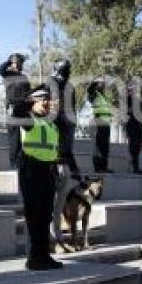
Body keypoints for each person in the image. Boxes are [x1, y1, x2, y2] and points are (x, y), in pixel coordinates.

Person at [17, 85, 63, 270]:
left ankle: (44, 255)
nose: (45, 102)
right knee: (34, 214)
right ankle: (34, 257)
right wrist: (28, 97)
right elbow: (17, 110)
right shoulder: (28, 119)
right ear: (32, 102)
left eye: (47, 99)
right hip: (31, 168)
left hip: (48, 170)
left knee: (45, 215)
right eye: (41, 99)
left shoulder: (51, 123)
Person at [48, 59, 81, 248]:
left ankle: (58, 236)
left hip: (65, 156)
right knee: (52, 202)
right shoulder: (51, 84)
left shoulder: (68, 88)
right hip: (53, 158)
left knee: (60, 203)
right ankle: (53, 238)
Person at [0, 53, 30, 169]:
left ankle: (26, 163)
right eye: (20, 62)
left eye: (22, 62)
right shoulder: (8, 74)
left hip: (24, 109)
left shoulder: (24, 77)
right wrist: (11, 62)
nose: (22, 65)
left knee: (30, 134)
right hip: (13, 109)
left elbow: (28, 93)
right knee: (14, 140)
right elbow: (0, 69)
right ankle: (14, 165)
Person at [87, 78, 114, 173]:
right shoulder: (94, 94)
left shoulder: (103, 96)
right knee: (97, 146)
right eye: (101, 84)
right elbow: (89, 90)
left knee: (105, 147)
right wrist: (94, 82)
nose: (103, 85)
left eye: (103, 84)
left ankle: (104, 167)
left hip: (106, 123)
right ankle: (98, 168)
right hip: (98, 122)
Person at [125, 84, 142, 174]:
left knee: (138, 147)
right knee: (133, 147)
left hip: (139, 126)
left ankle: (136, 166)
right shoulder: (127, 99)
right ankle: (133, 167)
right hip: (131, 125)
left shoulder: (138, 100)